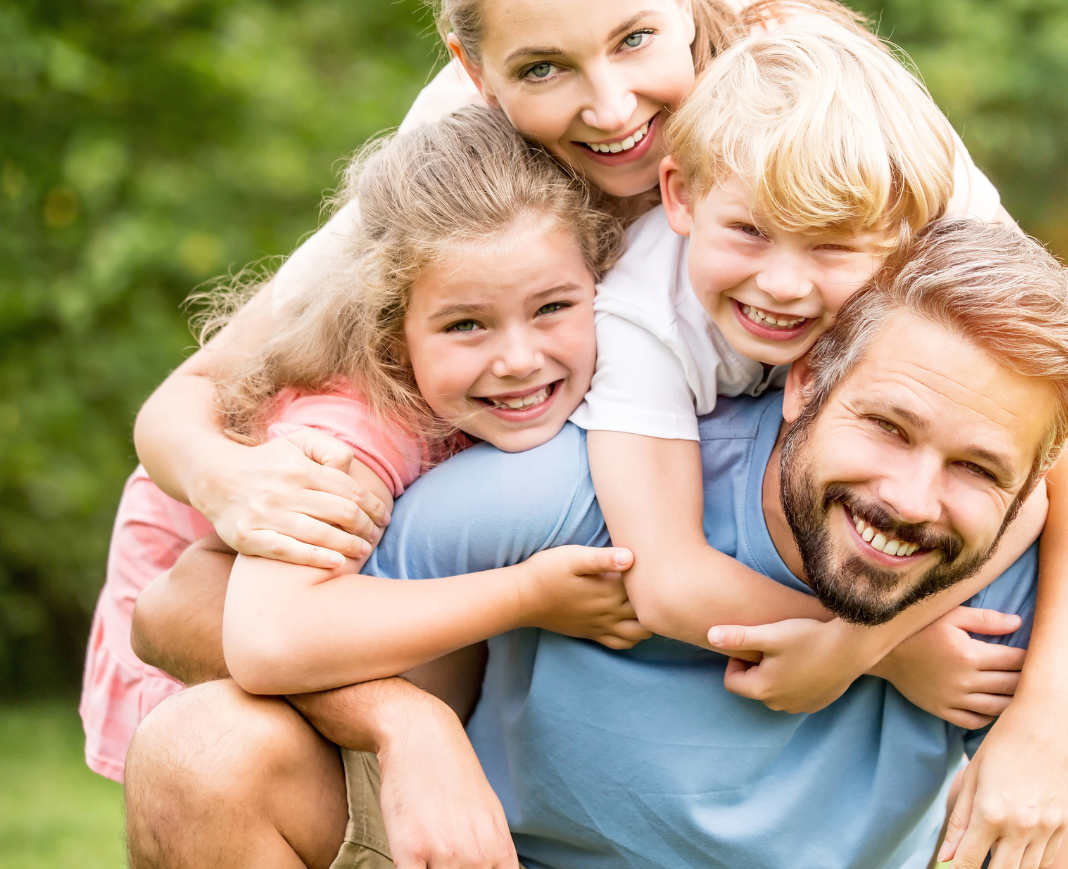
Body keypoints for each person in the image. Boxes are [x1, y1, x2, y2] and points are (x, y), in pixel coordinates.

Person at [121, 0, 1068, 858]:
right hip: (368, 525)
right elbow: (185, 490)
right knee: (209, 740)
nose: (610, 108)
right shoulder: (466, 192)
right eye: (543, 68)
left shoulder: (824, 121)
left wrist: (1036, 709)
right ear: (473, 69)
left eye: (635, 42)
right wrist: (227, 481)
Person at [127, 218, 1068, 869]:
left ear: (1034, 484)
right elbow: (181, 610)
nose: (912, 499)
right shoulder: (590, 482)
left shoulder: (1027, 594)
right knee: (206, 749)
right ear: (808, 380)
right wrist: (403, 720)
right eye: (891, 427)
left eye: (977, 468)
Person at [79, 106, 645, 783]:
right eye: (467, 325)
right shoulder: (354, 431)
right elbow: (270, 640)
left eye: (552, 307)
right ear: (391, 333)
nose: (520, 359)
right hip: (195, 623)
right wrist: (528, 595)